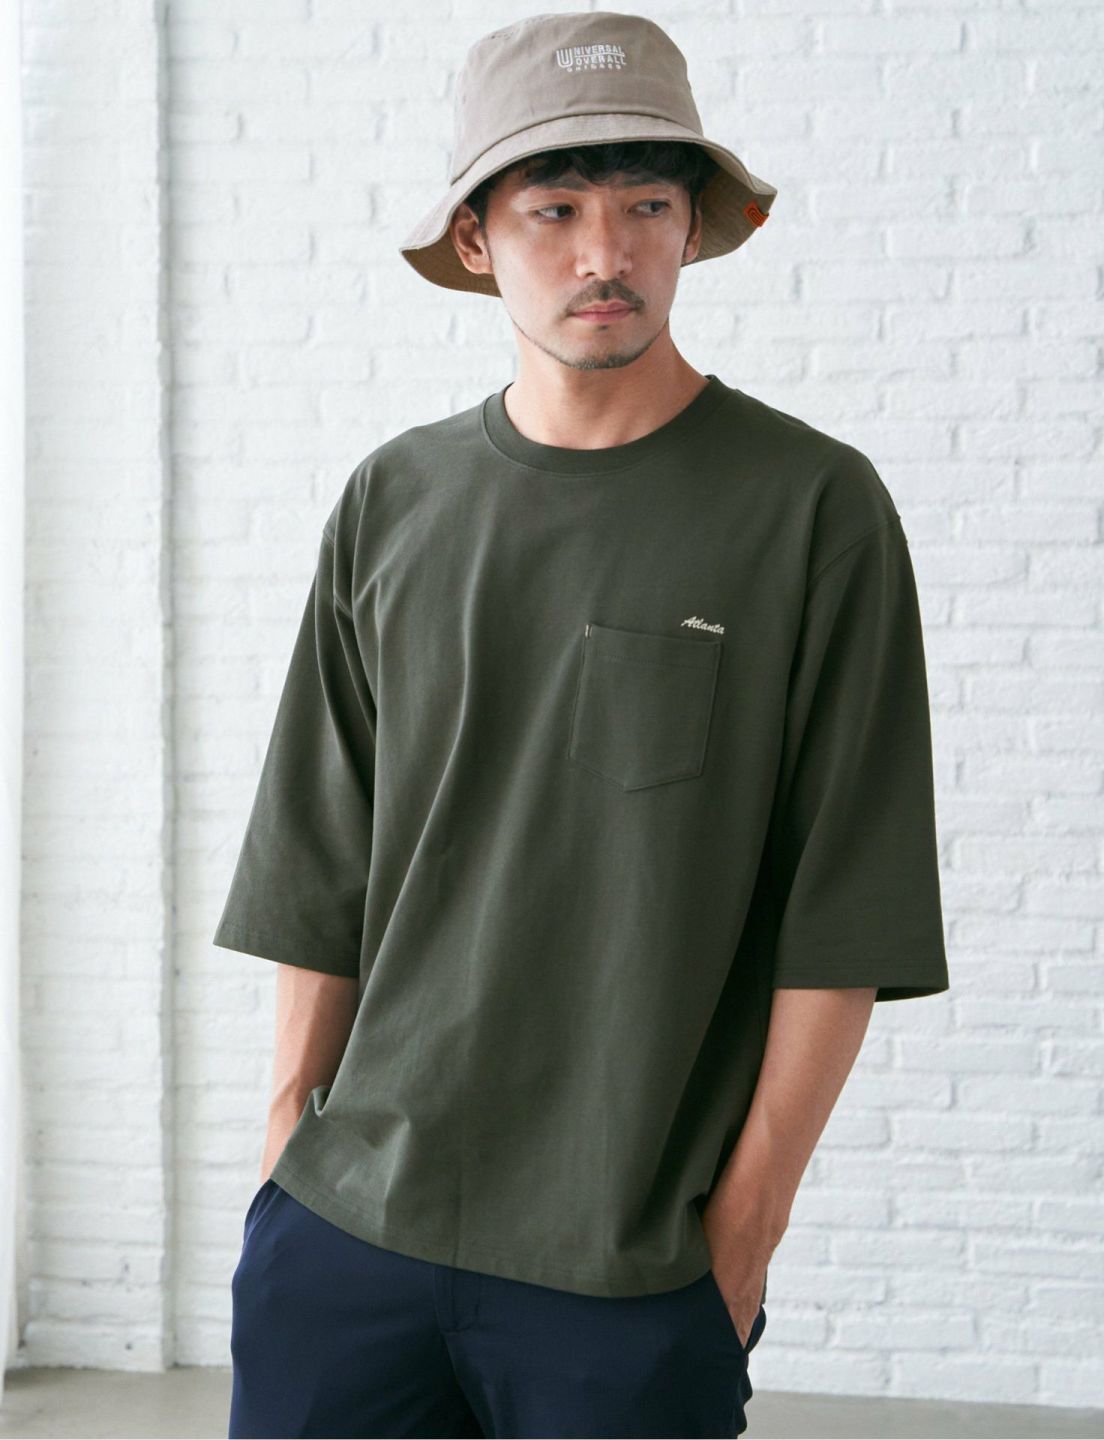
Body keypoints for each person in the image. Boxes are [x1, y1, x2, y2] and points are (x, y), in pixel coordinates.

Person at [214, 11, 950, 1439]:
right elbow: (319, 854)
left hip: (628, 1267)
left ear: (692, 229)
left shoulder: (813, 510)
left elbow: (847, 913)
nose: (604, 253)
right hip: (346, 1236)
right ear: (478, 238)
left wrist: (739, 1241)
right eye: (553, 211)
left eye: (646, 207)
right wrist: (286, 1149)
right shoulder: (395, 498)